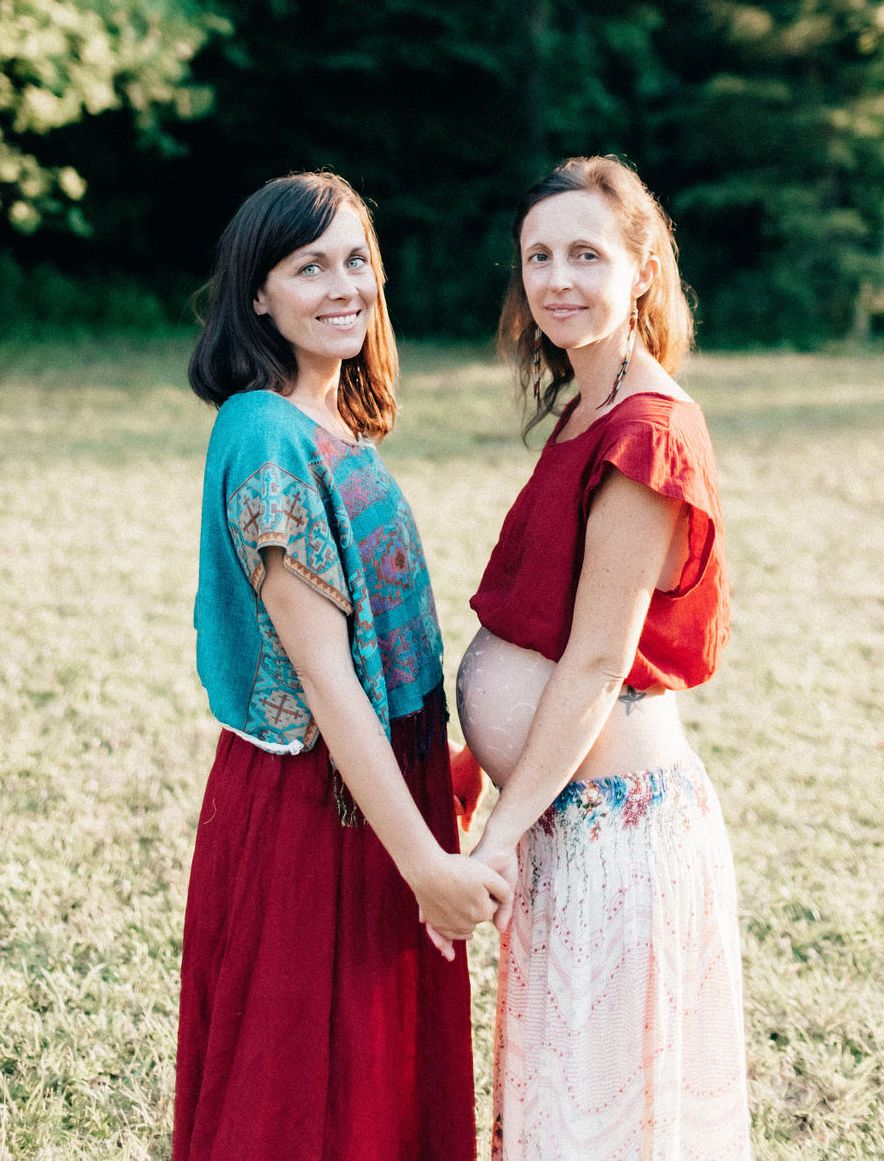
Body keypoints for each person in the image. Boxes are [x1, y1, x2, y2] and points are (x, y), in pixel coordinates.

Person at [173, 171, 510, 1161]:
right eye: (308, 266)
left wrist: (438, 777)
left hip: (380, 787)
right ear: (257, 293)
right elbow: (325, 677)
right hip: (315, 805)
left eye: (355, 260)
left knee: (375, 1081)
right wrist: (425, 865)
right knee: (308, 1097)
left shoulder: (329, 425)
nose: (343, 286)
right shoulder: (267, 434)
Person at [455, 156, 752, 1159]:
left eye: (586, 254)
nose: (556, 279)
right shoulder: (585, 405)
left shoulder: (646, 433)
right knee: (567, 1116)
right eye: (537, 256)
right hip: (566, 820)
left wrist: (497, 835)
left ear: (642, 270)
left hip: (614, 838)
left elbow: (593, 665)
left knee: (603, 1129)